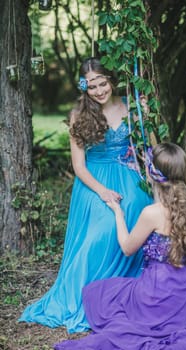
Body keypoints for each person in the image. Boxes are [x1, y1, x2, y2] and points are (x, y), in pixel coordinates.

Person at [54, 142, 186, 349]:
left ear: (151, 173)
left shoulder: (152, 213)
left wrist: (118, 214)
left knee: (99, 292)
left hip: (157, 291)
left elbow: (127, 248)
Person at [18, 57, 153, 333]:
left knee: (138, 211)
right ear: (84, 88)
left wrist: (145, 117)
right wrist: (103, 192)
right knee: (99, 234)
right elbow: (79, 167)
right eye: (92, 86)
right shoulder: (79, 116)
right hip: (94, 181)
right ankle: (89, 295)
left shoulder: (132, 107)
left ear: (112, 80)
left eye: (103, 83)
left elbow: (148, 149)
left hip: (128, 175)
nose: (100, 90)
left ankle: (125, 290)